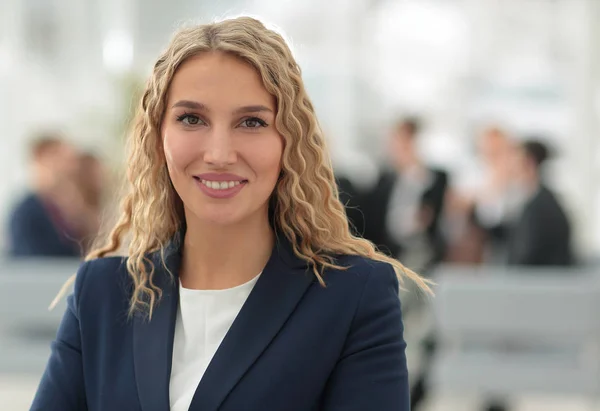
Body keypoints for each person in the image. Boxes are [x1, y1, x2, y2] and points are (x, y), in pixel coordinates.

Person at [31, 17, 430, 411]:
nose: (220, 153)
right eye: (192, 119)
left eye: (251, 122)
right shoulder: (101, 293)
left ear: (287, 142)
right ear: (158, 137)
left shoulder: (352, 296)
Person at [7, 135, 82, 257]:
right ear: (41, 160)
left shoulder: (66, 208)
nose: (69, 168)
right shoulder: (26, 212)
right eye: (61, 159)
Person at [506, 139, 574, 266]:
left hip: (541, 283)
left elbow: (524, 257)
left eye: (514, 161)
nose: (510, 168)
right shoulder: (535, 201)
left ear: (529, 163)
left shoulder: (541, 207)